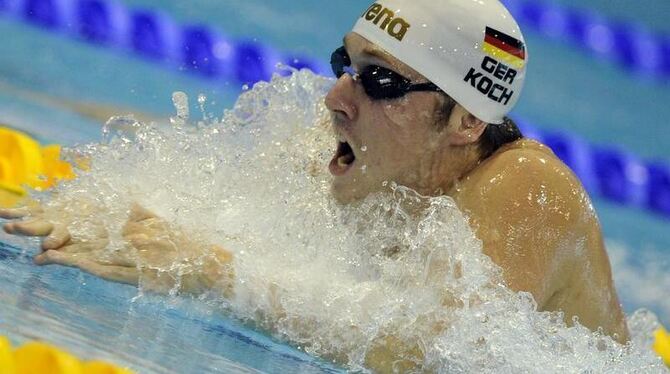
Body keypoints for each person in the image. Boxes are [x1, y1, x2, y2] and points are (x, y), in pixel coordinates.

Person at [0, 0, 629, 370]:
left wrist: (217, 272)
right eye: (345, 66)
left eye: (379, 81)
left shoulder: (527, 189)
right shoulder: (365, 153)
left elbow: (437, 356)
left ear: (467, 121)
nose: (336, 97)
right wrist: (102, 209)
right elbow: (204, 185)